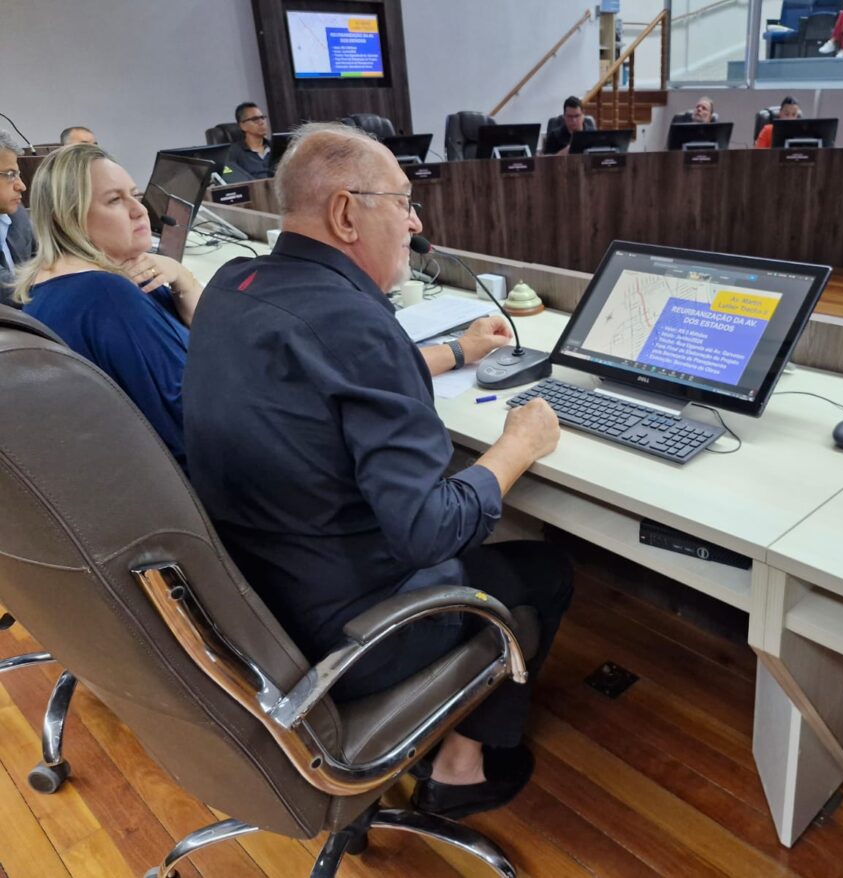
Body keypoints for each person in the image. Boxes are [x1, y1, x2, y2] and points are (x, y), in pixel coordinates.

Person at [183, 123, 573, 820]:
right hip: (351, 630)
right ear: (345, 213)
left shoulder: (234, 286)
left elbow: (326, 376)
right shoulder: (357, 323)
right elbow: (429, 532)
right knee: (544, 572)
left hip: (255, 604)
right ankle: (461, 771)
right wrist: (520, 444)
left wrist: (455, 352)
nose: (415, 222)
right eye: (402, 202)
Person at [12, 144, 203, 467]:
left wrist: (182, 277)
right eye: (114, 200)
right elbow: (195, 418)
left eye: (135, 195)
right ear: (68, 219)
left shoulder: (58, 281)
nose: (139, 210)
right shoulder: (106, 294)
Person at [0, 131, 35, 307]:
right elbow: (5, 290)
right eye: (10, 174)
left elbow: (45, 257)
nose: (22, 186)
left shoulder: (16, 213)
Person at [225, 102, 273, 179]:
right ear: (242, 126)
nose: (261, 122)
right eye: (255, 119)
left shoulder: (275, 147)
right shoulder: (233, 152)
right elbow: (230, 177)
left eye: (262, 117)